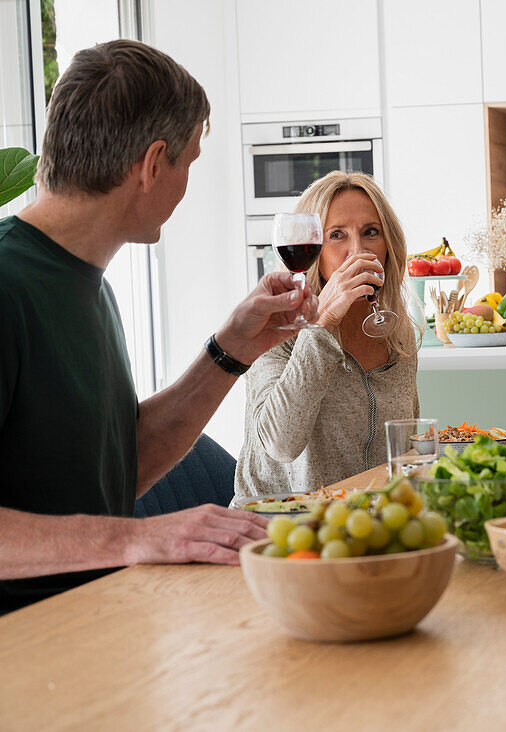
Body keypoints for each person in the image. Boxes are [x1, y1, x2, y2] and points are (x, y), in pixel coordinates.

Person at [0, 40, 318, 615]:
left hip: (101, 630)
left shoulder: (86, 283)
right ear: (151, 165)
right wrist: (138, 537)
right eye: (189, 162)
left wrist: (230, 351)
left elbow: (121, 471)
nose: (187, 184)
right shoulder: (6, 284)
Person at [235, 172, 420, 495]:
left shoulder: (396, 334)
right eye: (337, 235)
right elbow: (280, 444)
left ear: (389, 244)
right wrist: (322, 324)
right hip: (280, 527)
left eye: (371, 232)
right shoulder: (276, 327)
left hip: (367, 523)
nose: (357, 250)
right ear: (312, 252)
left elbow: (404, 448)